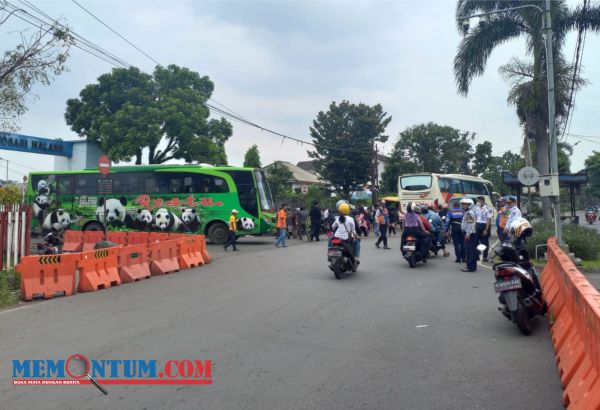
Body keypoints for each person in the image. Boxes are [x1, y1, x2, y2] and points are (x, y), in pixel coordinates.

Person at [460, 198, 478, 272]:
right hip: (470, 233)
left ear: (470, 205)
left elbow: (470, 224)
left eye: (465, 204)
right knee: (472, 250)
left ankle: (470, 267)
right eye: (463, 204)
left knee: (470, 251)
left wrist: (468, 234)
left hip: (470, 234)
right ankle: (473, 266)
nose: (463, 205)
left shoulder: (469, 213)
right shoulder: (468, 212)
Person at [474, 196, 493, 262]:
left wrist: (486, 229)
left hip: (484, 225)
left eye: (478, 201)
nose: (477, 202)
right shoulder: (476, 208)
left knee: (485, 242)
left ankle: (485, 257)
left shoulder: (488, 209)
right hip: (477, 225)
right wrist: (475, 226)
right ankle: (476, 256)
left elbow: (488, 220)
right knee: (475, 241)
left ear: (482, 201)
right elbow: (476, 218)